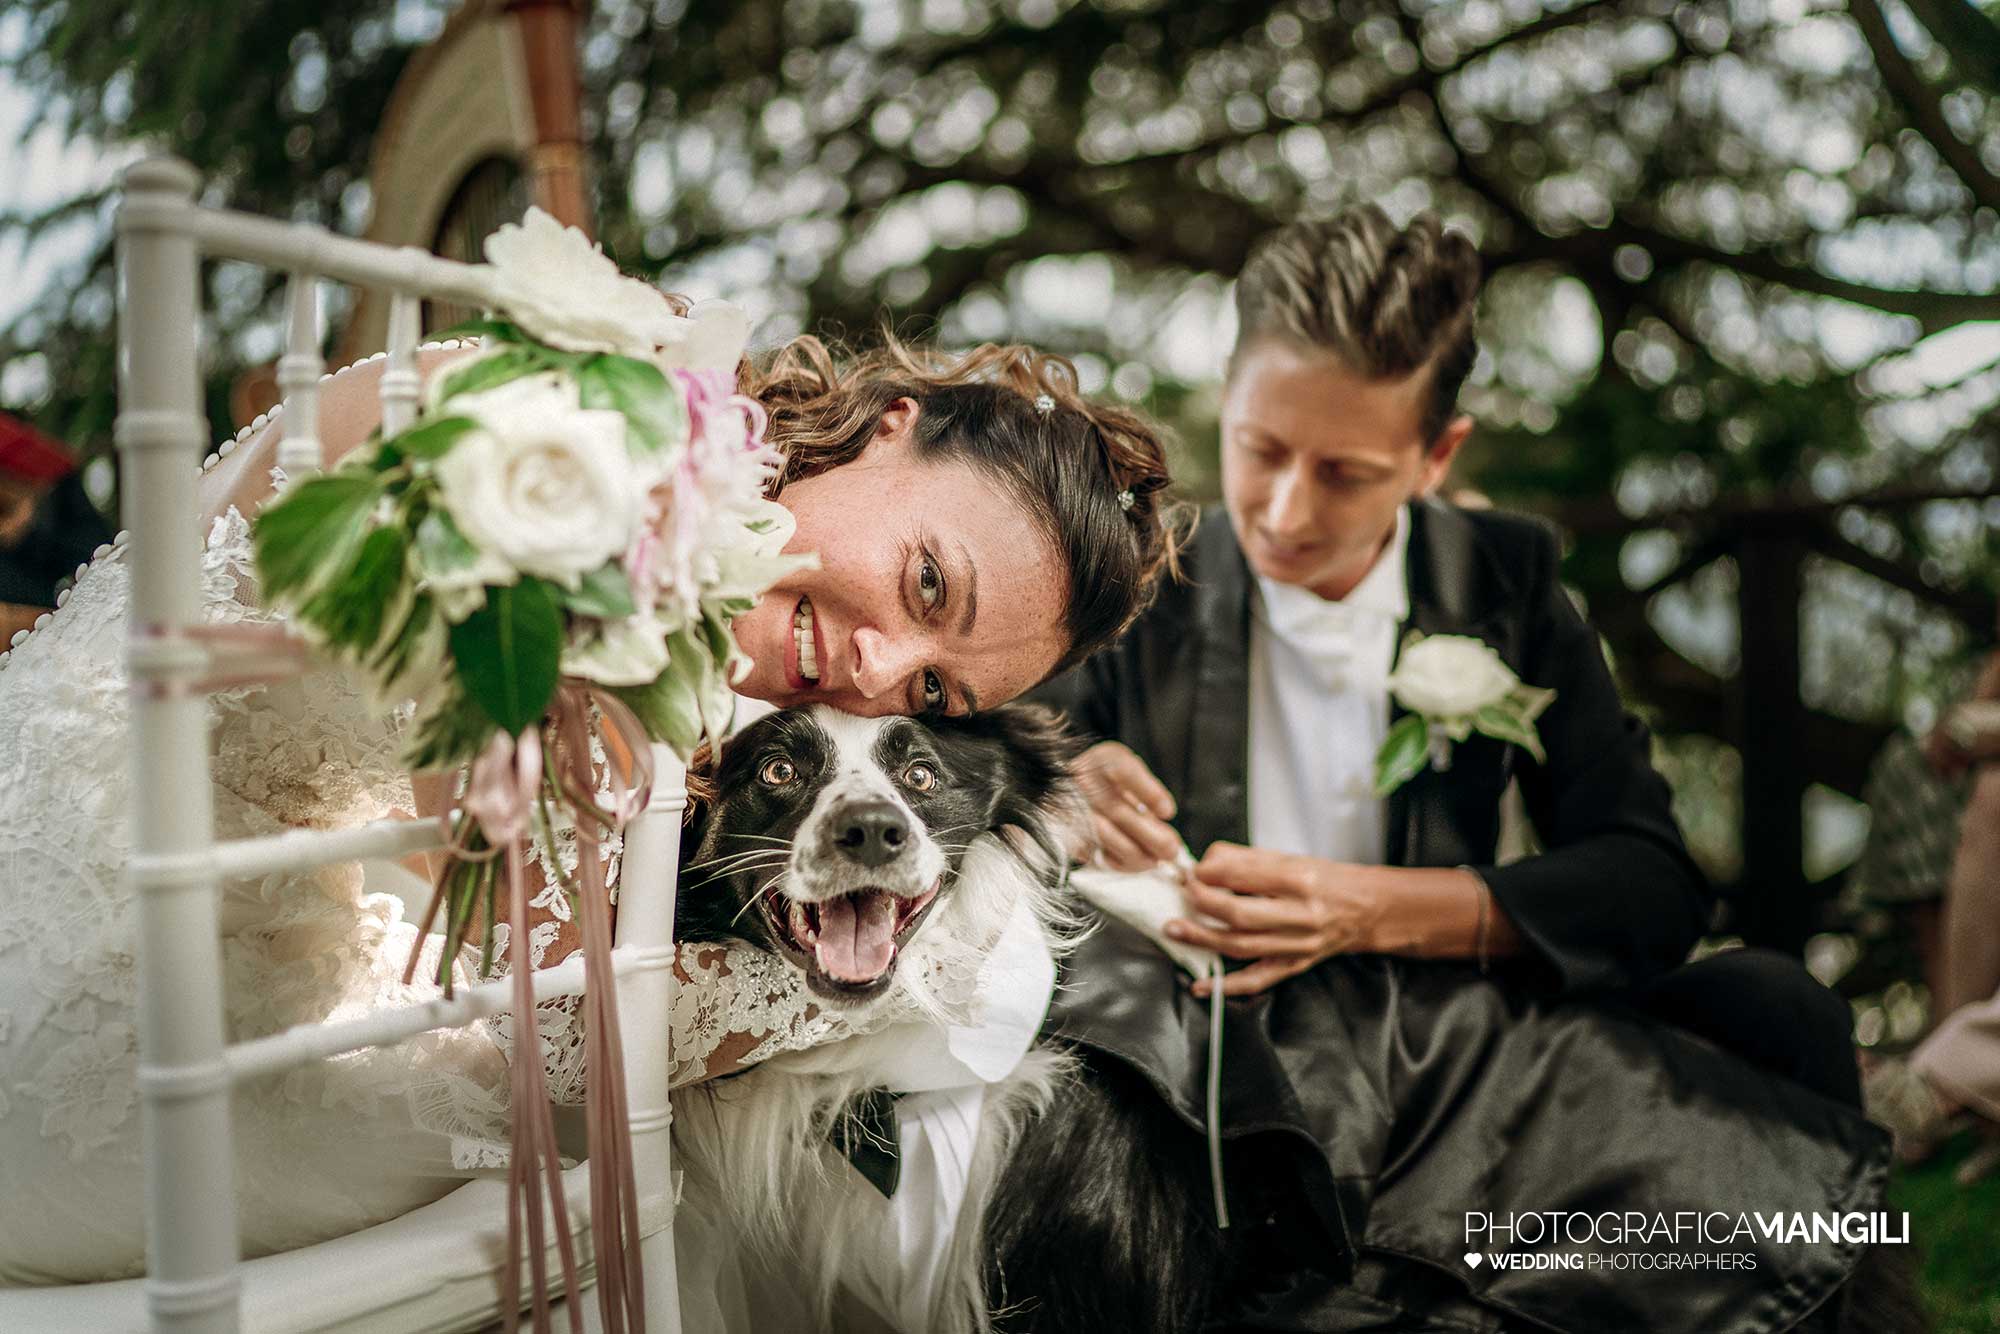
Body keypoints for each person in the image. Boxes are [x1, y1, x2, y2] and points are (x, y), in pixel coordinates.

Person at [0, 320, 1181, 1287]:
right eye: (927, 580)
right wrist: (856, 988)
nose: (877, 670)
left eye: (934, 686)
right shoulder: (582, 491)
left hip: (118, 950)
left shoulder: (630, 467)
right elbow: (570, 1032)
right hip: (107, 1080)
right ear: (887, 427)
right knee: (614, 1168)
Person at [1032, 208, 1892, 1332]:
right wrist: (1068, 775)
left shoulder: (1504, 576)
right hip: (1226, 1066)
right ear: (1229, 399)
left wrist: (1373, 908)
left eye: (1344, 472)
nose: (1285, 510)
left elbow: (1650, 879)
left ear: (1435, 458)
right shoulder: (1135, 581)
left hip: (1451, 1042)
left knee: (1778, 1006)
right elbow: (1001, 753)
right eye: (1259, 448)